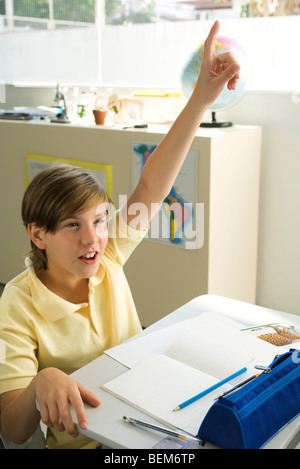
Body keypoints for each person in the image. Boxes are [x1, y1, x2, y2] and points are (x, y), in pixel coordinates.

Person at [0, 21, 240, 449]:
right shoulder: (17, 303)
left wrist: (201, 100)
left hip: (150, 421)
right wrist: (41, 384)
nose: (92, 239)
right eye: (72, 225)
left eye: (99, 220)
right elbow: (12, 431)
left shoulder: (106, 256)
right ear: (38, 235)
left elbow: (152, 185)